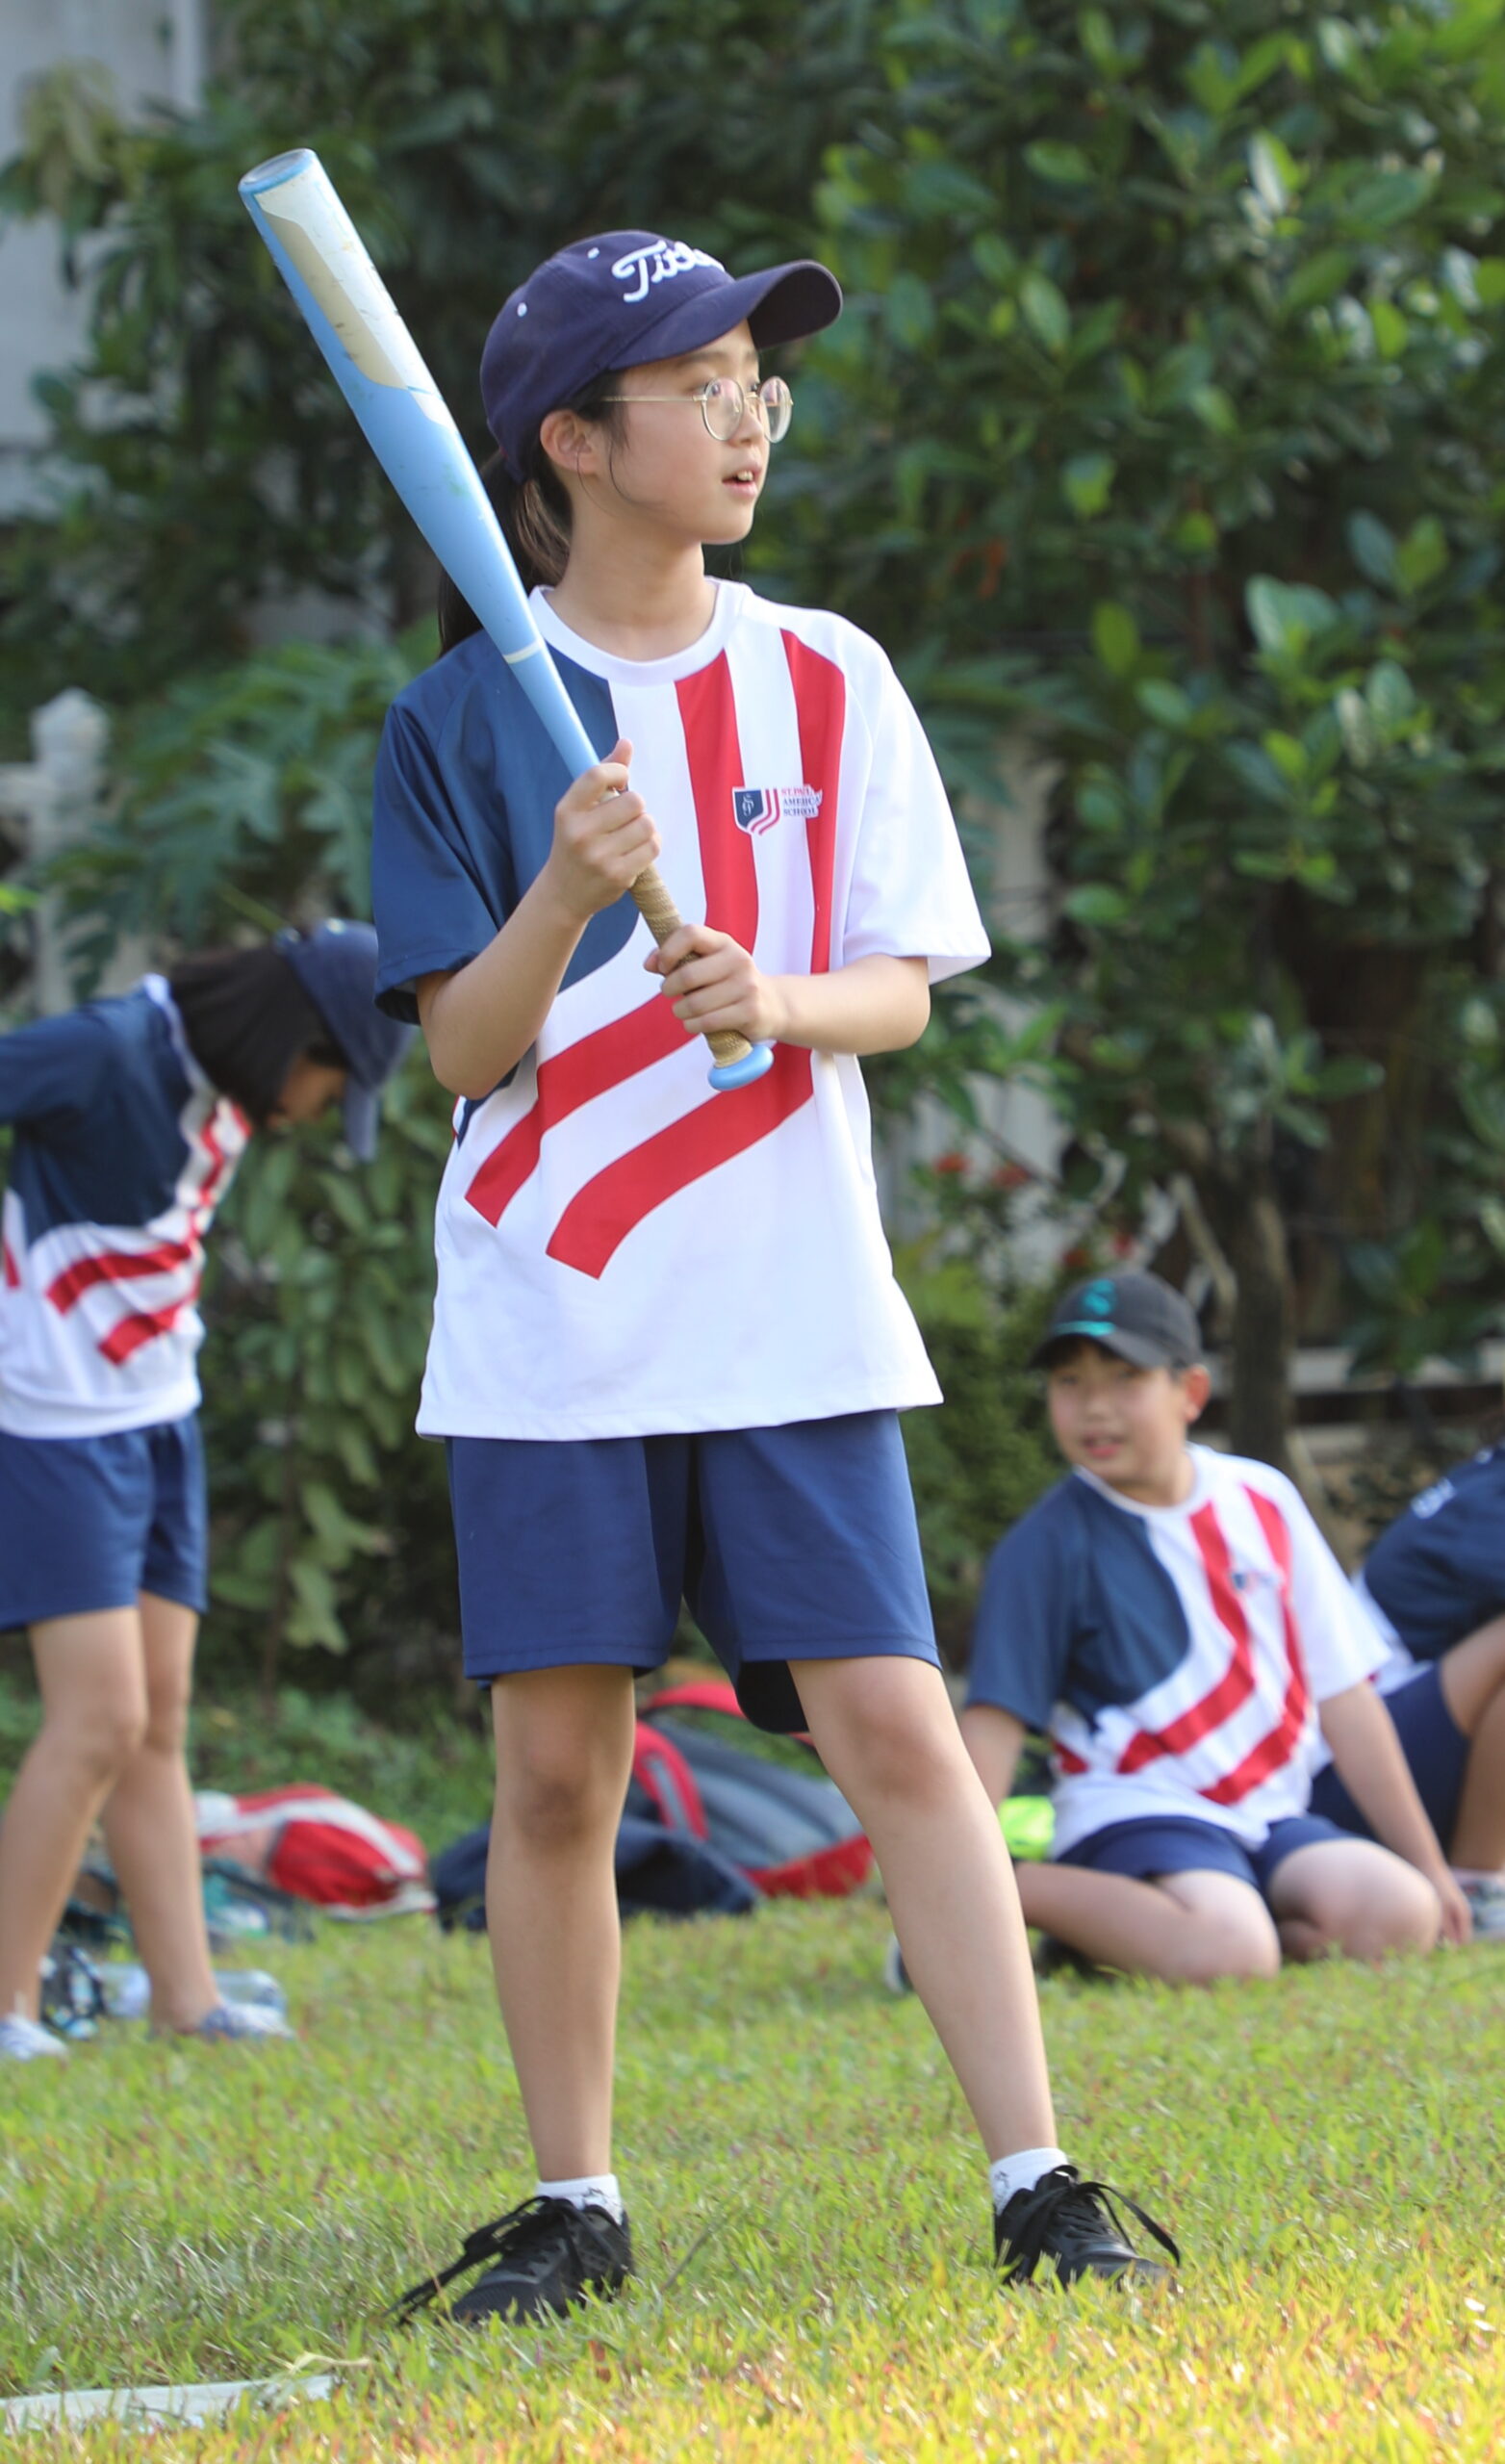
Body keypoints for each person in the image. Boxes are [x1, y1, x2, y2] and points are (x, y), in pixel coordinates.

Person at [372, 229, 1177, 2323]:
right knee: (557, 1773)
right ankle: (575, 2200)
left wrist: (777, 998)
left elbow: (898, 985)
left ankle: (1036, 2173)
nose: (749, 421)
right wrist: (564, 889)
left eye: (760, 383)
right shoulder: (456, 720)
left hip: (787, 1307)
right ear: (572, 441)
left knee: (894, 1730)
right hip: (554, 1311)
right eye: (703, 385)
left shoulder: (828, 673)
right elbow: (460, 1052)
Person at [0, 923, 412, 2059]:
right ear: (293, 1038)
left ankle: (185, 1996)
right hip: (57, 1428)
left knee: (159, 1718)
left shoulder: (224, 1078)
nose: (317, 1111)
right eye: (329, 1082)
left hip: (158, 1416)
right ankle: (7, 2000)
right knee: (98, 1720)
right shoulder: (107, 1049)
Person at [957, 1272, 1470, 1988]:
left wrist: (1429, 1865)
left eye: (1126, 1378)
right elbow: (994, 1723)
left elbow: (1346, 1694)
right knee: (1233, 1951)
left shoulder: (1263, 1499)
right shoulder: (1043, 1547)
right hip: (1132, 1813)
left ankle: (1133, 1934)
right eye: (1070, 1382)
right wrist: (955, 1880)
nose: (1095, 1407)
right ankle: (1021, 1894)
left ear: (1191, 1392)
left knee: (1401, 1912)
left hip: (1266, 1815)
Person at [1306, 1448, 1505, 1937]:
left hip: (1383, 1746)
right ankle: (1477, 1888)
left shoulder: (1490, 1473)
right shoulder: (1491, 1503)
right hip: (1347, 1778)